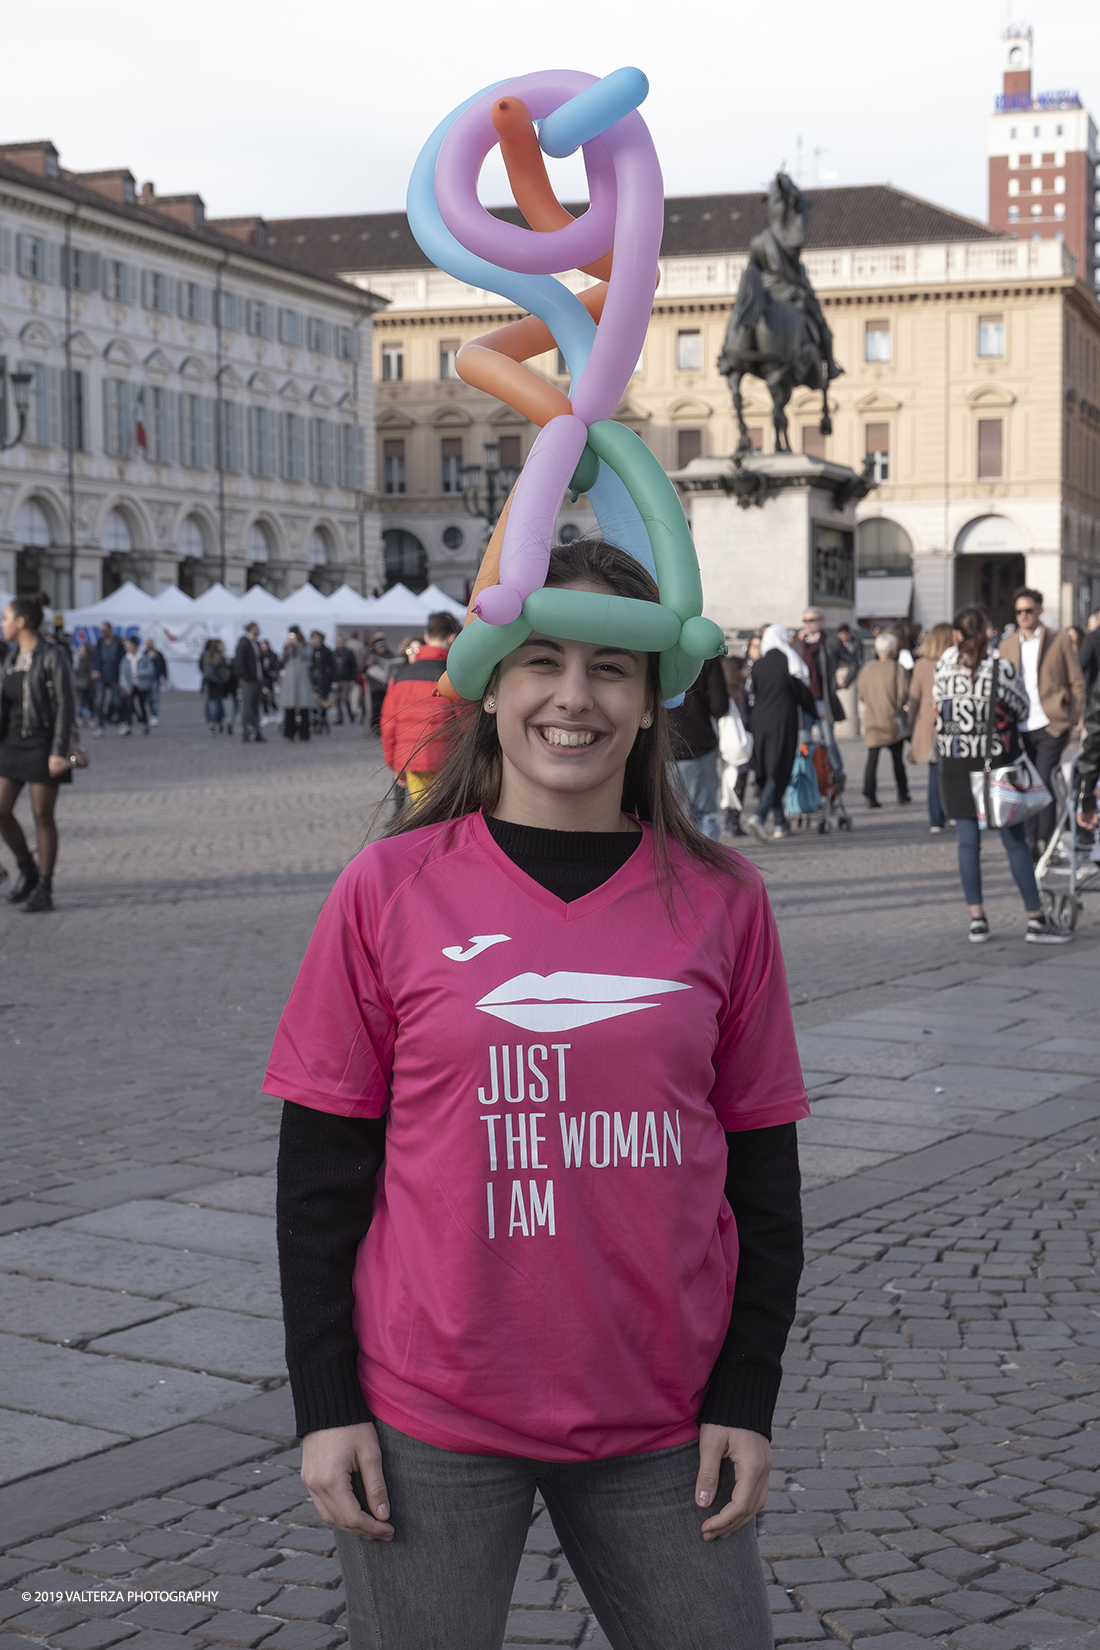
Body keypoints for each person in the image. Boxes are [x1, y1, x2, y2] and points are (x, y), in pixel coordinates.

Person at [266, 537, 807, 1650]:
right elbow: (321, 1167)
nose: (573, 697)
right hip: (428, 1417)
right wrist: (326, 1406)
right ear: (491, 685)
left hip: (664, 1417)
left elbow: (762, 1173)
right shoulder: (388, 887)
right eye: (541, 662)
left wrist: (743, 1394)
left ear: (650, 699)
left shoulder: (721, 898)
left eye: (610, 667)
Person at [935, 604, 1068, 945]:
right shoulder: (1000, 667)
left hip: (954, 763)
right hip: (995, 763)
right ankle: (1035, 918)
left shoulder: (943, 666)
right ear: (987, 632)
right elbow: (1022, 708)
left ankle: (977, 919)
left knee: (967, 844)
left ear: (955, 635)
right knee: (1015, 843)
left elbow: (939, 707)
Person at [997, 587, 1085, 858]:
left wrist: (1074, 717)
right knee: (1025, 783)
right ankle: (1031, 839)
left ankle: (1044, 842)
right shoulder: (1007, 645)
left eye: (1028, 610)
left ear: (1039, 611)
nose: (1023, 615)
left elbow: (1076, 682)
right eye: (1019, 611)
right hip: (1019, 726)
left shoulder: (1057, 640)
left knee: (1044, 780)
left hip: (1051, 723)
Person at [0, 596, 75, 913]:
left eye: (5, 618)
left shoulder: (52, 655)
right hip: (11, 744)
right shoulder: (11, 658)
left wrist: (59, 751)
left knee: (43, 817)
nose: (2, 624)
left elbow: (65, 705)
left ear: (21, 622)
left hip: (44, 745)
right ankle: (26, 868)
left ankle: (45, 886)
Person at [380, 611, 462, 805]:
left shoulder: (399, 677)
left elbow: (389, 723)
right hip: (448, 761)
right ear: (453, 638)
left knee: (422, 817)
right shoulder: (454, 676)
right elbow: (465, 724)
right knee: (446, 819)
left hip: (412, 760)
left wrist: (394, 763)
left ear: (426, 637)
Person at [744, 625, 817, 841]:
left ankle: (779, 823)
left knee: (767, 771)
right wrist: (815, 711)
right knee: (779, 769)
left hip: (759, 722)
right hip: (782, 722)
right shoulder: (790, 662)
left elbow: (755, 693)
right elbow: (802, 693)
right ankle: (758, 815)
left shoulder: (758, 665)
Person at [667, 655, 730, 840]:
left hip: (662, 746)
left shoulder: (658, 646)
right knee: (705, 816)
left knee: (668, 820)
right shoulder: (705, 654)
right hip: (697, 743)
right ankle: (705, 867)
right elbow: (720, 705)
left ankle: (672, 866)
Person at [906, 622, 953, 832]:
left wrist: (910, 726)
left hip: (928, 720)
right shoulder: (954, 662)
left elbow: (913, 699)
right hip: (950, 718)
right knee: (952, 770)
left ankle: (936, 819)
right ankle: (951, 811)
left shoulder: (922, 665)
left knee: (935, 772)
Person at [858, 632, 911, 808]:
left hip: (872, 718)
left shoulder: (866, 668)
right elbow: (903, 695)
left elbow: (862, 694)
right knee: (897, 759)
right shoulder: (898, 668)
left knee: (872, 759)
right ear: (894, 650)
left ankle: (870, 793)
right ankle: (903, 793)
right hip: (892, 720)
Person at [795, 607, 849, 780]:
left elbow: (854, 662)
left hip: (822, 699)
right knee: (803, 740)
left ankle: (838, 774)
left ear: (821, 622)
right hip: (804, 701)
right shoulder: (798, 645)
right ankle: (807, 776)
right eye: (805, 621)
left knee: (828, 740)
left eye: (811, 620)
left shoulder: (831, 641)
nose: (808, 624)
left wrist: (844, 682)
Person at [90, 620, 124, 738]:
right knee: (99, 702)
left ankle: (121, 722)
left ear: (110, 630)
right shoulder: (99, 643)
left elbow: (122, 660)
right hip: (101, 676)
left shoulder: (118, 643)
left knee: (117, 701)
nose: (103, 633)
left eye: (104, 630)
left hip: (114, 676)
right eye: (101, 631)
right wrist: (94, 670)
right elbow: (95, 658)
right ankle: (100, 727)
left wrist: (122, 677)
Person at [234, 622, 266, 744]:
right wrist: (246, 677)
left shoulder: (256, 643)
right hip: (249, 681)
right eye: (257, 628)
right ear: (252, 629)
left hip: (257, 679)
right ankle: (245, 732)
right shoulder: (244, 644)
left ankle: (257, 731)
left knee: (256, 707)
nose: (259, 630)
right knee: (247, 707)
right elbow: (240, 662)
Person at [281, 628, 313, 741]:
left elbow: (307, 656)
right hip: (290, 680)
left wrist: (297, 645)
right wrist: (286, 647)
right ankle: (289, 732)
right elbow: (283, 659)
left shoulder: (306, 644)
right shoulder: (288, 646)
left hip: (302, 679)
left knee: (304, 707)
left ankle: (304, 733)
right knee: (289, 706)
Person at [119, 636, 154, 735]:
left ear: (134, 645)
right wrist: (126, 687)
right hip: (130, 686)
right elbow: (123, 675)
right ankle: (129, 726)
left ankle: (145, 724)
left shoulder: (143, 657)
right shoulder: (125, 659)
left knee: (142, 705)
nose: (126, 647)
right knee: (129, 706)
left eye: (128, 645)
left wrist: (141, 672)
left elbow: (151, 670)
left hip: (141, 685)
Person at [200, 639, 231, 732]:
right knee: (216, 703)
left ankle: (216, 721)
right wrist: (222, 679)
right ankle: (214, 721)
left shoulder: (209, 656)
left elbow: (205, 672)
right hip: (217, 683)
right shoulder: (218, 657)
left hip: (212, 683)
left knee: (216, 703)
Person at [310, 630, 336, 735]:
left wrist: (334, 680)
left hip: (325, 681)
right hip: (313, 681)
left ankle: (323, 723)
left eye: (315, 638)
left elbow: (332, 667)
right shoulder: (310, 651)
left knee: (324, 704)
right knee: (314, 704)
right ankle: (315, 724)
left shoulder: (327, 651)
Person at [332, 637, 357, 725]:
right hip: (336, 680)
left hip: (346, 679)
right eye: (337, 641)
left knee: (345, 698)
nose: (339, 643)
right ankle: (339, 717)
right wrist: (332, 680)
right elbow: (331, 668)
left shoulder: (349, 653)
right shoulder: (333, 653)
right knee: (337, 699)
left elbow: (354, 666)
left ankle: (350, 714)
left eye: (341, 641)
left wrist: (353, 679)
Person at [144, 637, 167, 724]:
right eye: (147, 643)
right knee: (148, 698)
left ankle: (154, 715)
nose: (148, 644)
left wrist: (164, 677)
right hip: (146, 679)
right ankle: (150, 714)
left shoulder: (158, 654)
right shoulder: (143, 654)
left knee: (155, 697)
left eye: (149, 643)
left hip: (155, 678)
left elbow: (163, 666)